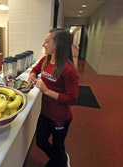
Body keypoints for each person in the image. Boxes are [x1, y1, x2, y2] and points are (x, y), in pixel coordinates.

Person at [28, 28, 79, 167]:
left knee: (58, 145)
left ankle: (59, 161)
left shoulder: (68, 69)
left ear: (56, 45)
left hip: (60, 117)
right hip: (45, 113)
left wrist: (46, 90)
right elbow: (35, 69)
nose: (43, 44)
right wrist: (32, 75)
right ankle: (61, 159)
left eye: (46, 42)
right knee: (40, 141)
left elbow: (73, 99)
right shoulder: (46, 59)